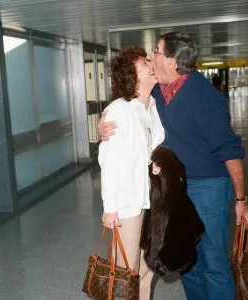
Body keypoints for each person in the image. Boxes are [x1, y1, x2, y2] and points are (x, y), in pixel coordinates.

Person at [98, 32, 248, 300]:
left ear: (170, 62)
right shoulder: (156, 91)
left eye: (155, 53)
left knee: (214, 262)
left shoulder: (205, 98)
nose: (151, 57)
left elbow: (231, 153)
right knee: (186, 260)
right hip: (173, 189)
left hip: (208, 188)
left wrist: (242, 198)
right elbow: (127, 104)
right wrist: (105, 122)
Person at [98, 46, 165, 299]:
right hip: (126, 205)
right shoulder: (119, 110)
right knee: (127, 272)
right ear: (132, 76)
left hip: (150, 200)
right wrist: (110, 208)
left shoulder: (152, 106)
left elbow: (153, 147)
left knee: (147, 268)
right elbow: (109, 160)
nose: (150, 64)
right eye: (144, 63)